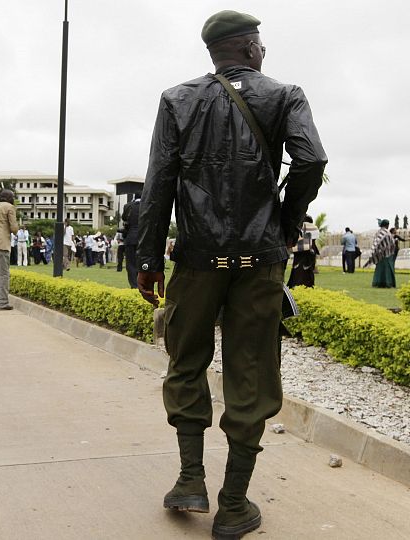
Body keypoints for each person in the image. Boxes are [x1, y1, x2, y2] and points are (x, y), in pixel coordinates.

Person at [135, 11, 326, 538]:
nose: (262, 51)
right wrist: (285, 222)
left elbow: (159, 184)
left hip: (196, 260)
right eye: (258, 44)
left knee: (186, 360)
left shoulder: (177, 100)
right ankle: (235, 504)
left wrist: (148, 259)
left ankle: (189, 479)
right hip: (258, 262)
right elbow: (311, 160)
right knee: (252, 371)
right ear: (247, 49)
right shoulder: (284, 94)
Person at [287, 215, 320, 288]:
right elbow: (314, 240)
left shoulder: (297, 227)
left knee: (296, 267)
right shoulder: (313, 227)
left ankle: (295, 284)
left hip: (298, 250)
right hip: (309, 251)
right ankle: (308, 284)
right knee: (308, 268)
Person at [365, 219, 396, 288]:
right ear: (387, 225)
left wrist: (374, 252)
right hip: (386, 254)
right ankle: (388, 283)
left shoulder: (379, 232)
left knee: (380, 269)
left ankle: (378, 283)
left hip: (379, 254)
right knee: (387, 270)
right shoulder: (386, 232)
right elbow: (390, 243)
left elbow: (376, 243)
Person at [122, 196, 141, 287]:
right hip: (143, 239)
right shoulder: (147, 205)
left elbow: (124, 218)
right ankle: (143, 284)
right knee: (142, 262)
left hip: (131, 237)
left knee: (131, 263)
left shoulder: (128, 206)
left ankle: (134, 285)